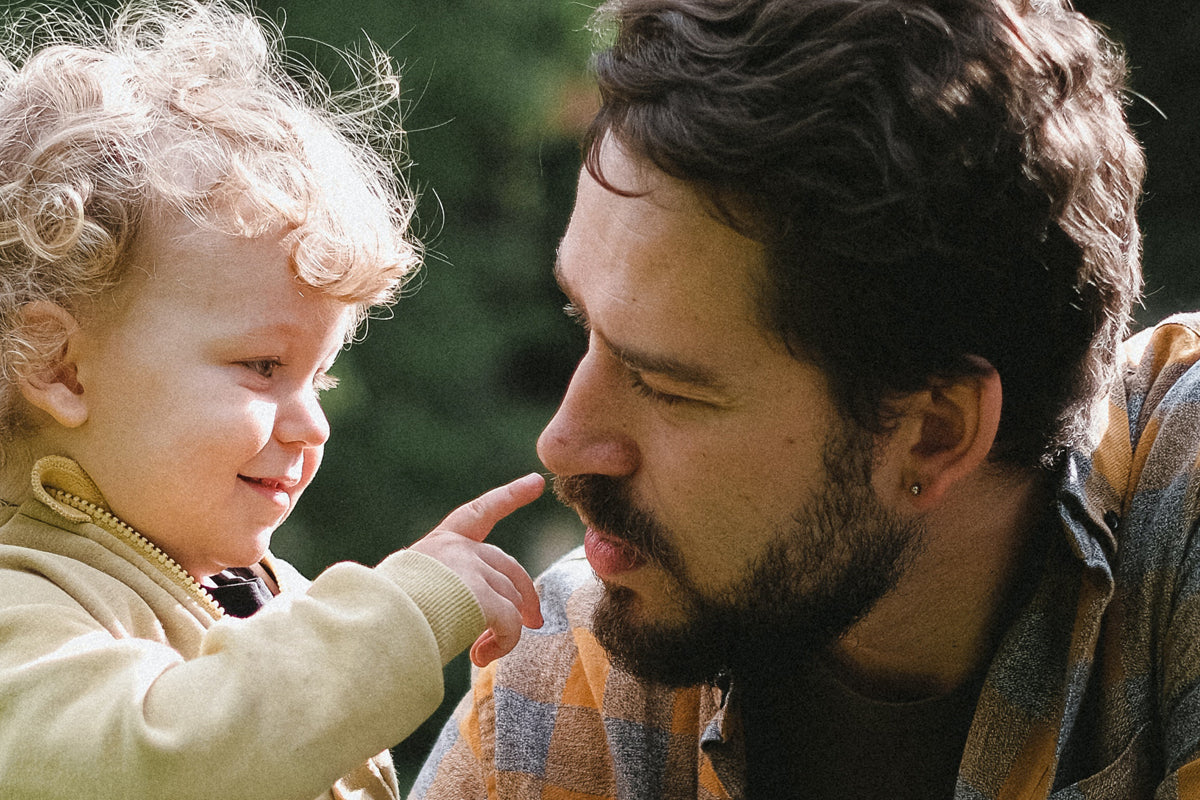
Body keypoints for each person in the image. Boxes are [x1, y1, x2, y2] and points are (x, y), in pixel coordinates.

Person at [414, 0, 1200, 797]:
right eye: (583, 325)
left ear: (933, 433)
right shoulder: (556, 689)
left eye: (667, 385)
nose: (562, 440)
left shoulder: (1184, 505)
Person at [0, 2, 545, 799]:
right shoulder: (23, 606)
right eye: (262, 366)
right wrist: (397, 619)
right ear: (63, 369)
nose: (313, 421)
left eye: (320, 377)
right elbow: (166, 756)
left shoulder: (262, 587)